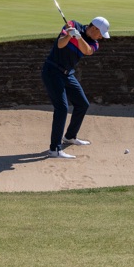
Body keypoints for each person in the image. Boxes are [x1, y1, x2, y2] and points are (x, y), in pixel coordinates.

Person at [42, 16, 110, 159]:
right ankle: (54, 150)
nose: (101, 37)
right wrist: (69, 35)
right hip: (52, 71)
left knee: (82, 104)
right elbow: (60, 45)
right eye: (100, 33)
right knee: (62, 108)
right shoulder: (72, 24)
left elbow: (87, 51)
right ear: (94, 28)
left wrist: (78, 38)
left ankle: (70, 136)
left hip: (67, 74)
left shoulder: (94, 42)